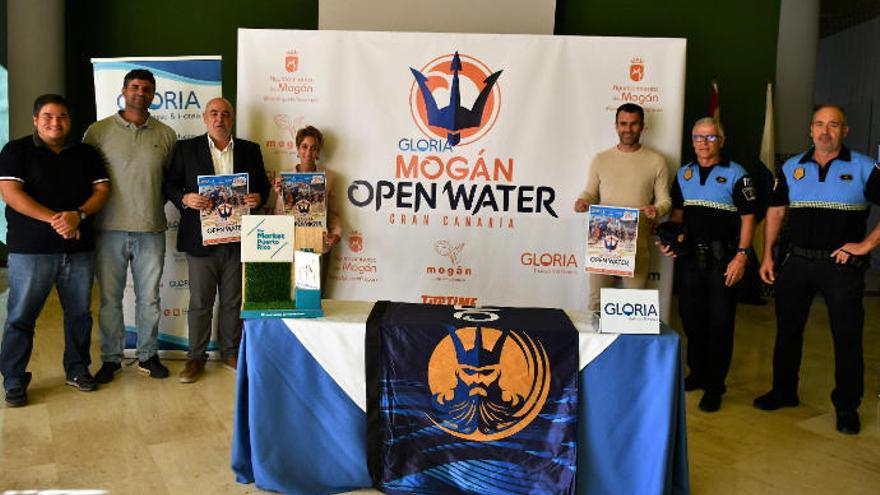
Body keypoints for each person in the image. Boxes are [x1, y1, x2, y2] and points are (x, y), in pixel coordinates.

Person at [755, 104, 880, 435]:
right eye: (819, 125)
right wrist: (767, 254)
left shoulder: (864, 167)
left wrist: (866, 245)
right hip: (795, 262)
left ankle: (847, 406)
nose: (826, 132)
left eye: (833, 125)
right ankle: (784, 391)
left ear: (845, 131)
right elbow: (777, 212)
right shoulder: (793, 166)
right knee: (787, 330)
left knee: (847, 336)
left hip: (841, 266)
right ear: (810, 130)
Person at [0, 94, 110, 406]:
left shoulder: (85, 153)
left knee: (79, 315)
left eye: (61, 116)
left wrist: (80, 215)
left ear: (69, 121)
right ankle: (13, 379)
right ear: (35, 120)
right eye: (47, 116)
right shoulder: (16, 150)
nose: (55, 122)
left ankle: (77, 370)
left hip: (78, 249)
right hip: (30, 251)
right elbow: (9, 191)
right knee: (21, 316)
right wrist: (56, 219)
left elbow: (102, 189)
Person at [164, 98, 269, 383]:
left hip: (237, 238)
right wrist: (185, 198)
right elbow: (170, 184)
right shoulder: (186, 149)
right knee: (200, 301)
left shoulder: (250, 149)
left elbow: (263, 187)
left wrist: (258, 198)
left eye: (225, 114)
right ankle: (195, 358)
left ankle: (230, 352)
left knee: (233, 301)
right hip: (201, 240)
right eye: (214, 113)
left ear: (231, 118)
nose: (219, 118)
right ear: (205, 117)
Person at [83, 69, 177, 382]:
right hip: (108, 229)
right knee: (110, 299)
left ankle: (148, 355)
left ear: (153, 95)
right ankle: (110, 358)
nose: (140, 92)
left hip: (151, 228)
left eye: (147, 88)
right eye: (134, 87)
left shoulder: (166, 135)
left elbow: (169, 182)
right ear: (123, 91)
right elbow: (86, 180)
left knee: (149, 298)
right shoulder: (97, 132)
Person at [658, 117, 755, 412]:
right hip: (690, 260)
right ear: (692, 141)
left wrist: (742, 255)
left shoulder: (738, 174)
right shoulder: (684, 174)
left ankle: (715, 386)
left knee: (721, 324)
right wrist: (671, 241)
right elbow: (677, 215)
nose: (704, 142)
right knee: (691, 319)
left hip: (724, 260)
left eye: (711, 137)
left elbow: (748, 218)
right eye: (698, 137)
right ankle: (698, 374)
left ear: (721, 141)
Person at [574, 103, 672, 312]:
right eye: (623, 124)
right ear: (616, 125)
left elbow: (665, 200)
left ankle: (630, 345)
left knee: (633, 306)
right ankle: (595, 345)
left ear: (642, 126)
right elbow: (590, 192)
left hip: (637, 240)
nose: (628, 129)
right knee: (597, 303)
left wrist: (658, 210)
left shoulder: (656, 161)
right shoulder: (601, 159)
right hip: (603, 236)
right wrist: (583, 201)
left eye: (633, 124)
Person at [273, 125, 342, 252]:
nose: (309, 152)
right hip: (289, 242)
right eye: (304, 146)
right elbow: (279, 213)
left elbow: (333, 213)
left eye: (314, 148)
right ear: (298, 148)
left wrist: (336, 235)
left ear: (318, 151)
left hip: (318, 242)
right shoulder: (284, 177)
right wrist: (280, 195)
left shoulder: (329, 177)